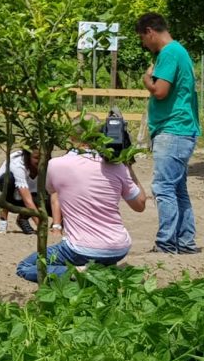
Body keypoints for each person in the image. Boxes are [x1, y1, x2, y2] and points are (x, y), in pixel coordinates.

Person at [16, 118, 148, 282]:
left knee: (25, 267)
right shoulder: (117, 166)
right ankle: (112, 271)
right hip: (118, 248)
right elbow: (140, 205)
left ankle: (80, 272)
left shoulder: (56, 165)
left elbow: (52, 192)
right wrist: (127, 163)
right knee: (97, 260)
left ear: (71, 137)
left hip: (80, 250)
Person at [137, 12, 201, 254]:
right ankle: (185, 242)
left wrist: (146, 80)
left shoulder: (169, 53)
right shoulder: (179, 52)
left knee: (163, 187)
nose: (144, 45)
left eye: (143, 39)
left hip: (172, 130)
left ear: (150, 31)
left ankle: (166, 243)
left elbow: (161, 90)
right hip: (182, 129)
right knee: (177, 189)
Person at [0, 147, 43, 235]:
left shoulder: (49, 166)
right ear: (28, 157)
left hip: (25, 197)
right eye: (36, 158)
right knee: (8, 179)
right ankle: (3, 221)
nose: (41, 161)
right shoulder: (17, 163)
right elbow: (27, 200)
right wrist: (41, 226)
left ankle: (22, 219)